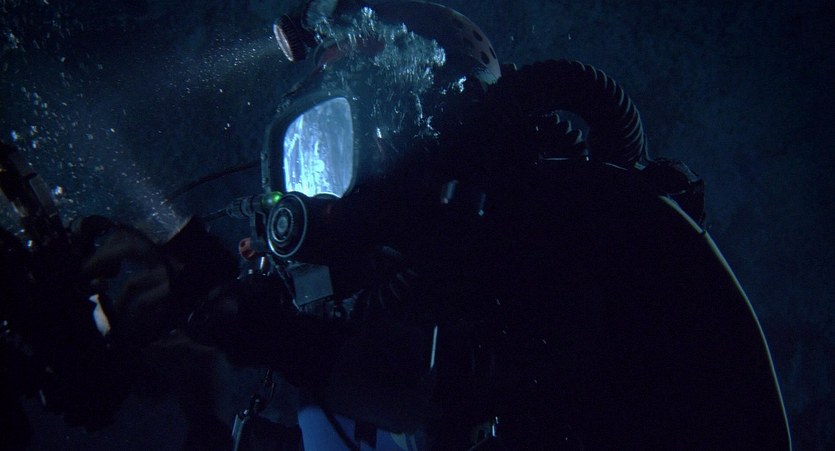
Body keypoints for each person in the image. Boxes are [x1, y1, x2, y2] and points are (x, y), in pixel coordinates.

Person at [3, 1, 791, 449]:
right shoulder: (400, 346)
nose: (308, 200)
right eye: (301, 165)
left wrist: (265, 349)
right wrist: (218, 368)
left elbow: (472, 392)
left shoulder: (591, 234)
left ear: (416, 138)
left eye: (332, 154)